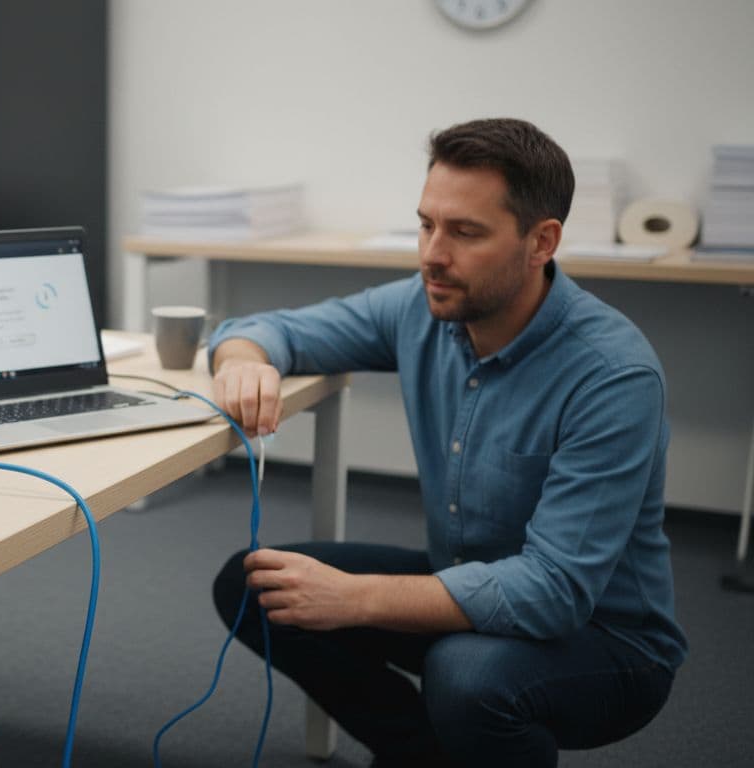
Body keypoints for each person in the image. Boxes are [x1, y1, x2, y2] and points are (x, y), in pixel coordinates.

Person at [207, 118, 686, 768]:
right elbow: (269, 329)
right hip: (467, 583)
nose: (432, 253)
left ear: (541, 241)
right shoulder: (425, 304)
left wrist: (356, 598)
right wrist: (241, 359)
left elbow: (553, 591)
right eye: (426, 224)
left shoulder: (612, 375)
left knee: (465, 676)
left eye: (465, 232)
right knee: (257, 585)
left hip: (607, 639)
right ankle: (420, 755)